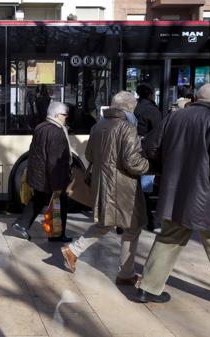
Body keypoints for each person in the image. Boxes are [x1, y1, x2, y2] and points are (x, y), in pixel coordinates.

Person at [136, 84, 210, 311]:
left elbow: (151, 147)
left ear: (196, 98)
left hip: (176, 194)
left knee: (169, 239)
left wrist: (168, 169)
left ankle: (147, 287)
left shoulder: (173, 118)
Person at [61, 91, 149, 286]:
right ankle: (125, 273)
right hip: (124, 186)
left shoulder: (98, 125)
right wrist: (149, 165)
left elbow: (90, 155)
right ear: (129, 108)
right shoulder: (127, 128)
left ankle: (74, 250)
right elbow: (132, 162)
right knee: (132, 226)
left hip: (104, 183)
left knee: (106, 221)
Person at [10, 101, 72, 243]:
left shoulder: (40, 127)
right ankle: (57, 234)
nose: (66, 117)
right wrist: (58, 183)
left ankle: (22, 225)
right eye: (64, 114)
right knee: (59, 202)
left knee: (39, 200)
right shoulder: (57, 132)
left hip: (39, 174)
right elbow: (54, 161)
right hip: (52, 176)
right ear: (56, 115)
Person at [133, 83, 162, 232]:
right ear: (151, 94)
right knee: (146, 189)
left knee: (135, 188)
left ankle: (124, 222)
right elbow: (158, 134)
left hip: (131, 152)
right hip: (145, 154)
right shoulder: (152, 111)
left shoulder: (133, 108)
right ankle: (151, 221)